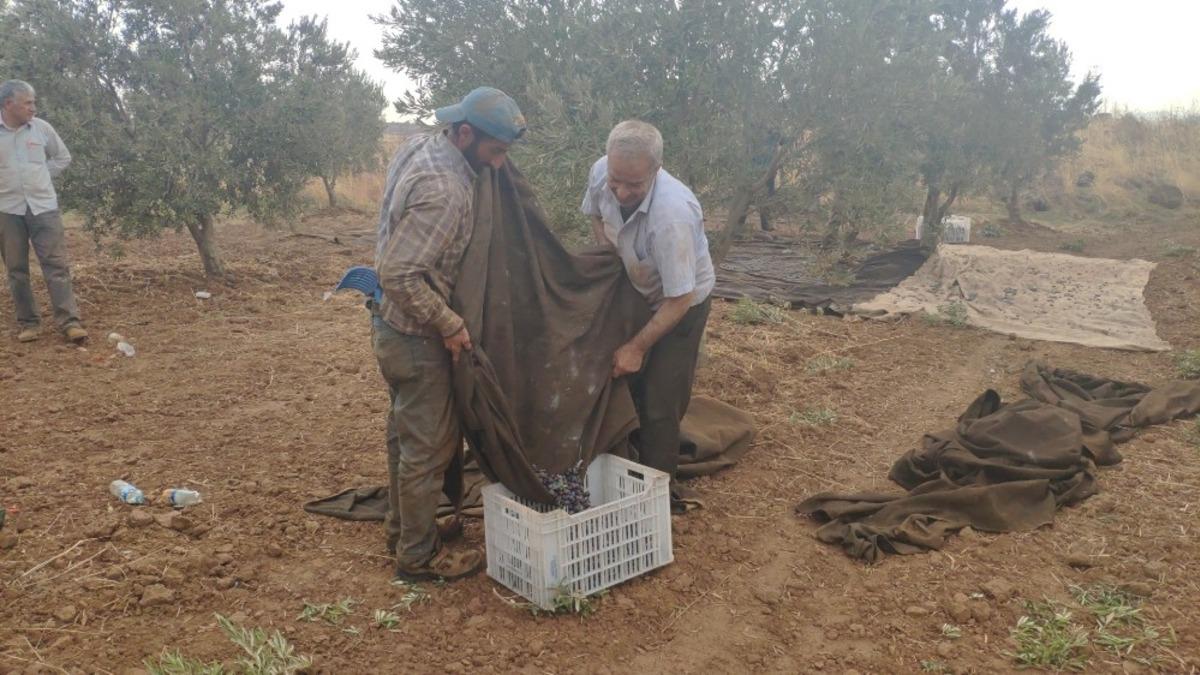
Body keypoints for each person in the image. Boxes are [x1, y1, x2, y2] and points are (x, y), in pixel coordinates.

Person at [373, 86, 525, 581]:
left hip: (390, 329)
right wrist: (450, 322)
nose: (499, 164)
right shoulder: (447, 190)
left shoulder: (421, 144)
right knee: (430, 449)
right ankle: (418, 557)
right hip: (417, 338)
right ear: (464, 134)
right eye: (495, 151)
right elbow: (398, 274)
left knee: (405, 438)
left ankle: (403, 530)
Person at [581, 120, 715, 511]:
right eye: (616, 181)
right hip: (636, 287)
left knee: (660, 400)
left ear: (656, 170)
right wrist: (609, 257)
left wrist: (636, 347)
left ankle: (656, 497)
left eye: (634, 185)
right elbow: (595, 215)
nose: (621, 193)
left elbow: (679, 298)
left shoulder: (672, 216)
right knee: (627, 384)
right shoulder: (601, 172)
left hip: (682, 305)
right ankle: (625, 463)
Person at [0, 80, 86, 344]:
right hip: (7, 210)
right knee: (16, 270)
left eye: (33, 102)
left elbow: (62, 157)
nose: (33, 108)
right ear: (8, 104)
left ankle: (70, 322)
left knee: (56, 265)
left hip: (43, 207)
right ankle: (29, 323)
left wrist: (41, 176)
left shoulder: (42, 129)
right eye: (27, 102)